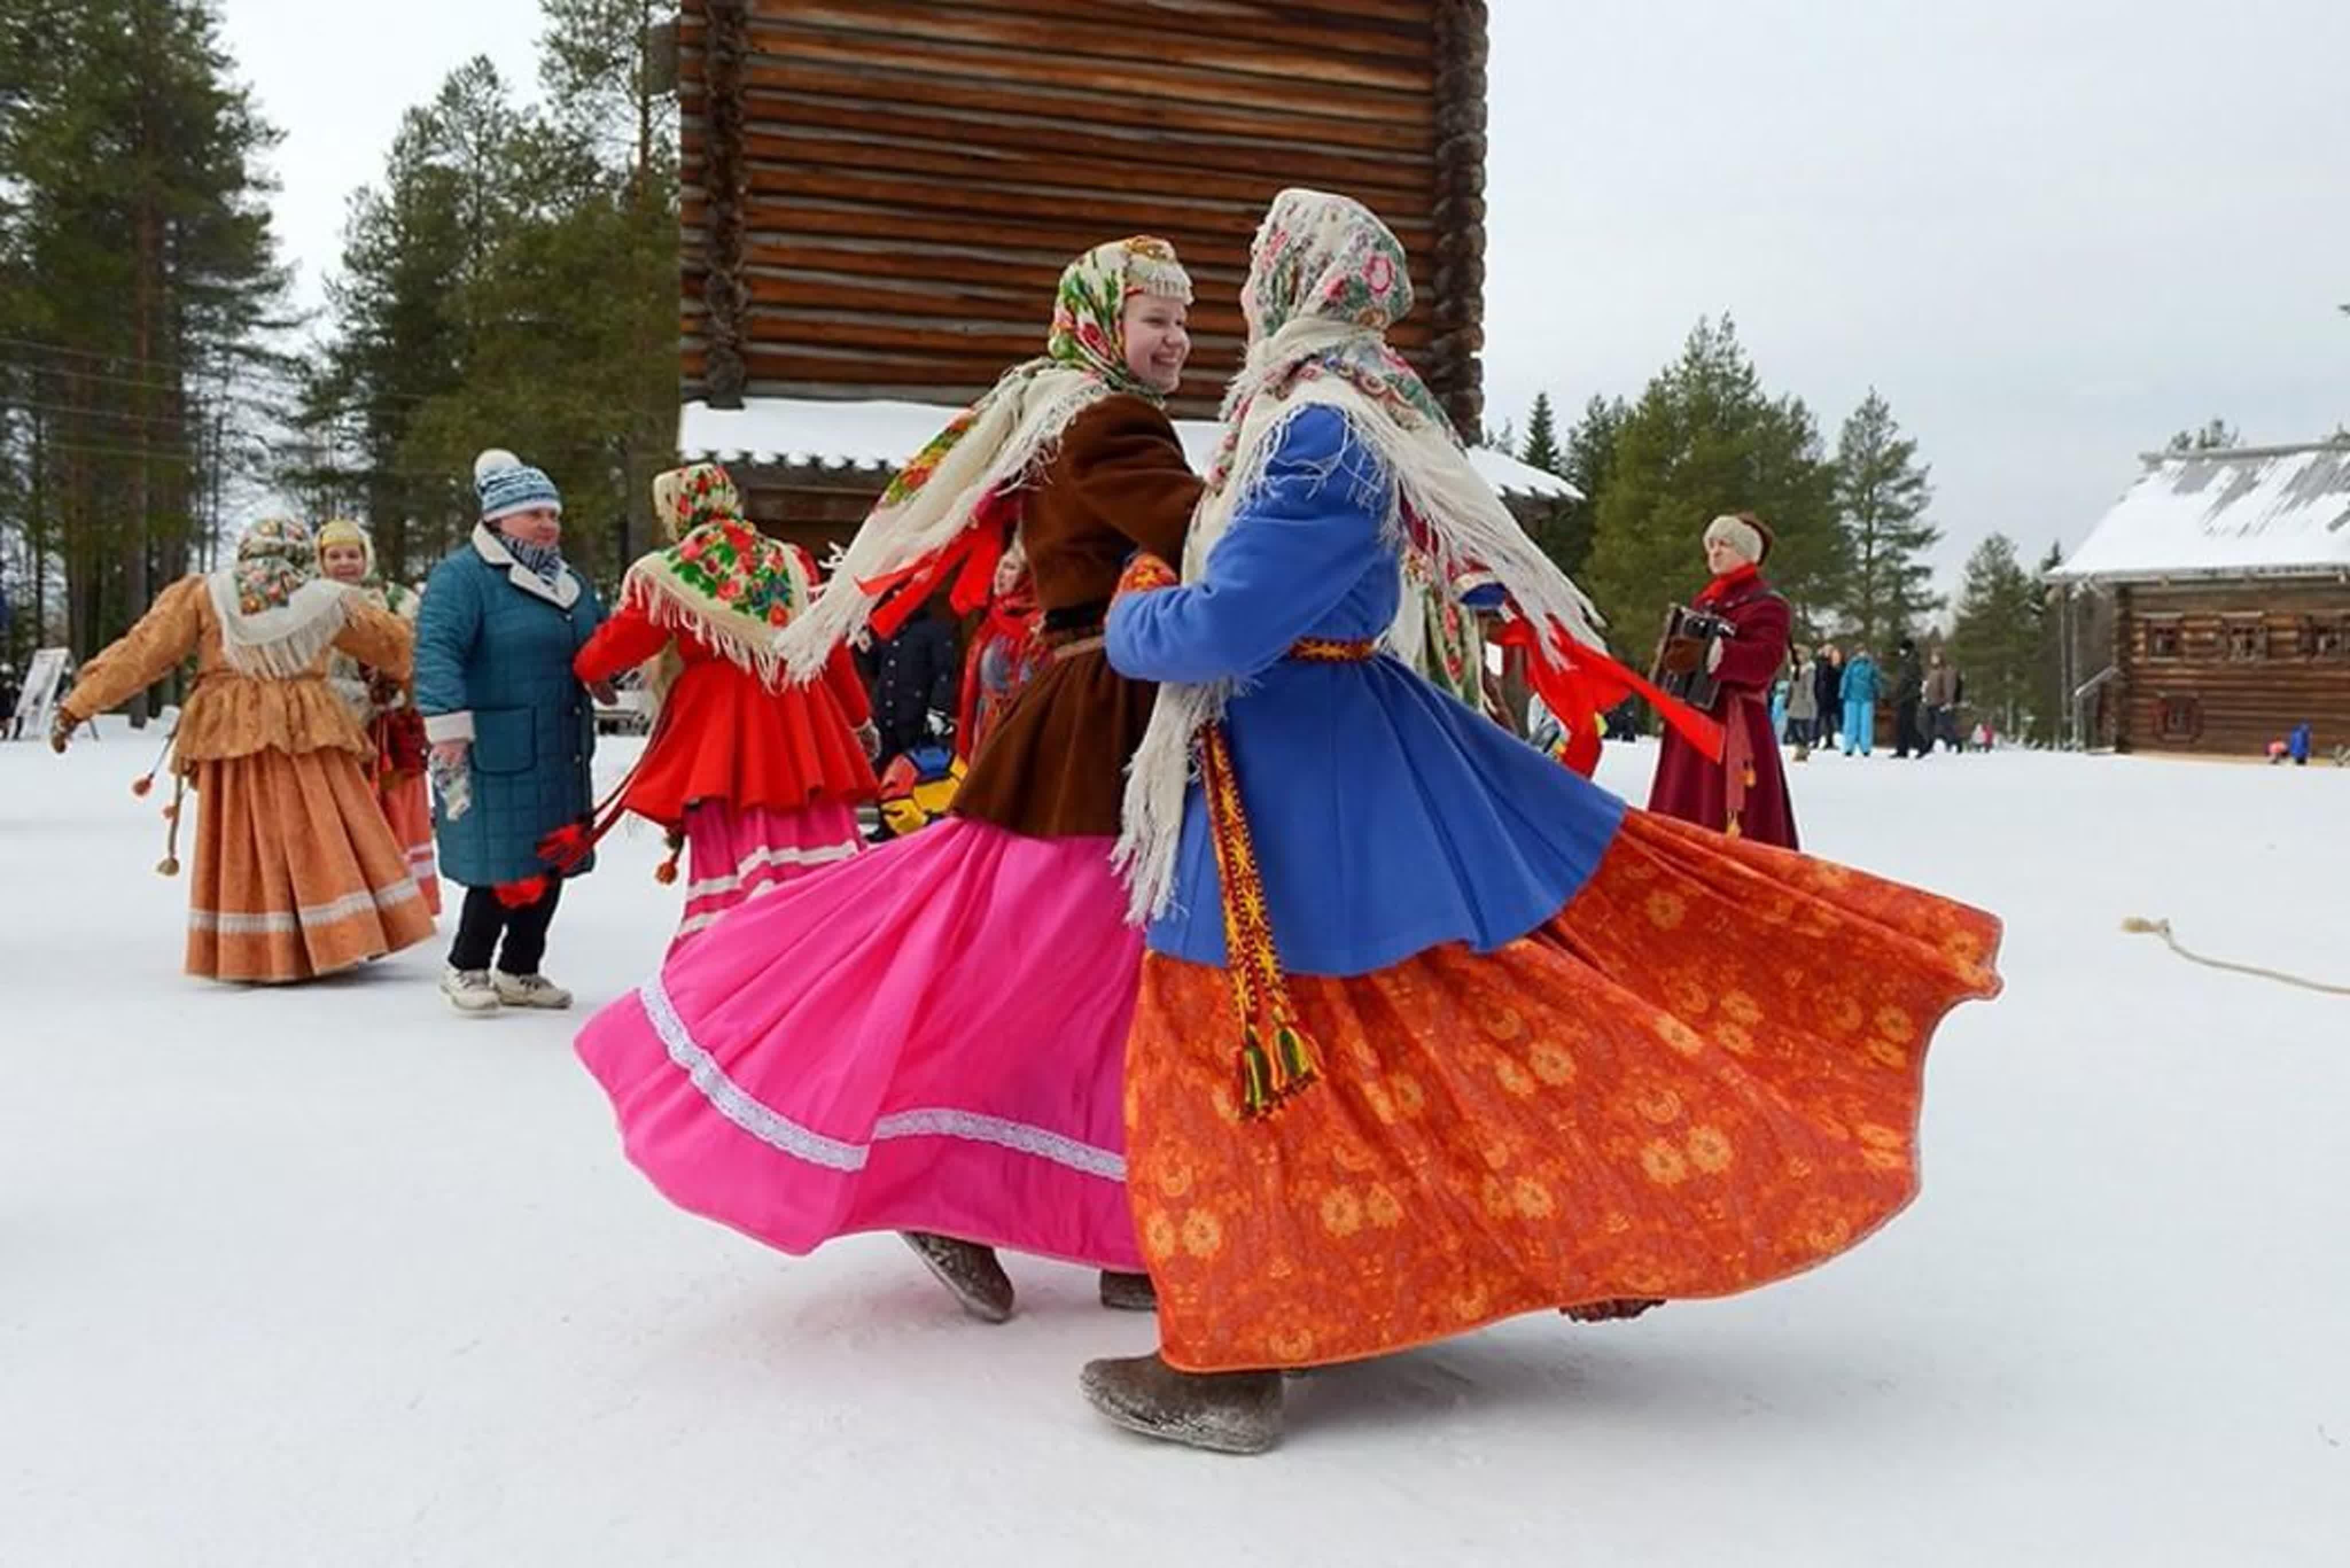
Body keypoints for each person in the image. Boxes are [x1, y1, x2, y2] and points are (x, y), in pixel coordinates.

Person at [1079, 188, 2004, 1455]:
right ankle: (1357, 1290)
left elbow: (1230, 626)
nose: (1244, 295)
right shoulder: (1361, 413)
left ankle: (1232, 1360)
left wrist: (1135, 609)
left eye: (1253, 272)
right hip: (1341, 756)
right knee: (1374, 1044)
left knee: (1219, 1048)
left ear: (1293, 284)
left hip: (1294, 780)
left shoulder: (1315, 431)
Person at [574, 236, 1204, 1318]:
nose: (1178, 340)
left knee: (1105, 976)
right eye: (1156, 318)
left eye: (1188, 323)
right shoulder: (1108, 422)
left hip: (1106, 709)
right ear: (1100, 323)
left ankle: (1115, 1219)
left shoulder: (1057, 417)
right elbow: (1197, 534)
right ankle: (940, 1177)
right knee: (1059, 968)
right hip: (1106, 721)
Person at [49, 517, 433, 981]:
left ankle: (255, 946)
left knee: (245, 831)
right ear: (301, 555)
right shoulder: (327, 598)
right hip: (307, 722)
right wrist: (414, 690)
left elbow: (144, 651)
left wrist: (78, 705)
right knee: (318, 822)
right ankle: (338, 934)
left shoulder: (203, 593)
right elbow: (398, 646)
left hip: (233, 726)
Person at [567, 462, 880, 946]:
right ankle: (823, 937)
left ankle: (737, 946)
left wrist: (587, 667)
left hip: (723, 728)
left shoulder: (671, 572)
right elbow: (828, 647)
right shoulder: (792, 560)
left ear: (677, 510)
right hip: (800, 721)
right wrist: (858, 720)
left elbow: (626, 638)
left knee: (737, 836)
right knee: (810, 829)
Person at [415, 450, 607, 1015]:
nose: (548, 524)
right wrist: (446, 726)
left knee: (553, 857)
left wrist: (608, 672)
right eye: (534, 514)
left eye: (553, 514)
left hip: (562, 742)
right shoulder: (463, 577)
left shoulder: (571, 581)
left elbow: (598, 643)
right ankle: (466, 966)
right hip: (493, 742)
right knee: (501, 859)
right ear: (498, 519)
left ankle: (521, 968)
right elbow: (437, 651)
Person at [1645, 512, 1798, 848]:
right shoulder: (1705, 601)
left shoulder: (1768, 605)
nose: (1714, 552)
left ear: (1748, 553)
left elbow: (1765, 662)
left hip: (1735, 726)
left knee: (1729, 815)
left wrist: (1714, 654)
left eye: (1724, 545)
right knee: (1684, 803)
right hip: (1692, 726)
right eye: (1711, 545)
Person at [317, 518, 440, 915]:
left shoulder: (394, 599)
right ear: (321, 560)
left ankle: (402, 898)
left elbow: (415, 648)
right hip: (333, 721)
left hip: (387, 719)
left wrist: (398, 686)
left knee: (392, 803)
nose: (345, 563)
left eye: (352, 554)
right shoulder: (310, 602)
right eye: (334, 556)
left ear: (366, 557)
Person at [956, 540, 1045, 765]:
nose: (999, 574)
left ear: (1029, 576)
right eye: (1000, 566)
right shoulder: (997, 618)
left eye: (1010, 568)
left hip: (1019, 734)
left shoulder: (1037, 628)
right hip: (987, 727)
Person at [861, 602, 958, 763]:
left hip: (917, 721)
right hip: (885, 719)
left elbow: (945, 674)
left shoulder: (935, 630)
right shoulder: (885, 627)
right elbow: (877, 670)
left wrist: (938, 711)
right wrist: (867, 650)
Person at [1890, 636, 1927, 759]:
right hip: (1904, 698)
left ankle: (1922, 745)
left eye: (1902, 650)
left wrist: (1901, 695)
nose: (1900, 652)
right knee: (1901, 725)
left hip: (1909, 698)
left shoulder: (1912, 663)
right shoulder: (1907, 661)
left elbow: (1910, 682)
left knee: (1908, 725)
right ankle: (1902, 749)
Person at [1841, 645, 1880, 756]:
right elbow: (1846, 678)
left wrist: (1877, 692)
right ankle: (1849, 747)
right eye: (1860, 652)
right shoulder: (1852, 665)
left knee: (1866, 724)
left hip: (1867, 698)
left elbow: (1876, 680)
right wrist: (1843, 692)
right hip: (1852, 698)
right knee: (1850, 723)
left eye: (1865, 651)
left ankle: (1866, 748)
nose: (1863, 654)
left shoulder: (1871, 665)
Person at [1785, 644, 1819, 761]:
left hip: (1804, 702)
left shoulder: (1809, 670)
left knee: (1804, 728)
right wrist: (1787, 699)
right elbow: (1791, 686)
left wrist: (1811, 703)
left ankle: (1803, 750)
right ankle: (1801, 747)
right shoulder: (1794, 669)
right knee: (1792, 727)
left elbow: (1809, 687)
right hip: (1794, 702)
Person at [1923, 647, 1959, 756]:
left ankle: (1954, 743)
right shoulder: (1932, 671)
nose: (1933, 659)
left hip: (1940, 702)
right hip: (1930, 702)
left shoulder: (1946, 671)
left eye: (1935, 657)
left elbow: (1949, 687)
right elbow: (1928, 686)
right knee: (1928, 725)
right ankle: (1929, 744)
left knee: (1943, 726)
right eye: (1932, 657)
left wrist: (1949, 702)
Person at [1814, 641, 1844, 752]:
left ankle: (1829, 740)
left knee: (1829, 719)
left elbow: (1837, 678)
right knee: (1819, 718)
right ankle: (1816, 740)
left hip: (1831, 695)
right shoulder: (1820, 663)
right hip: (1821, 693)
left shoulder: (1835, 665)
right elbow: (1817, 678)